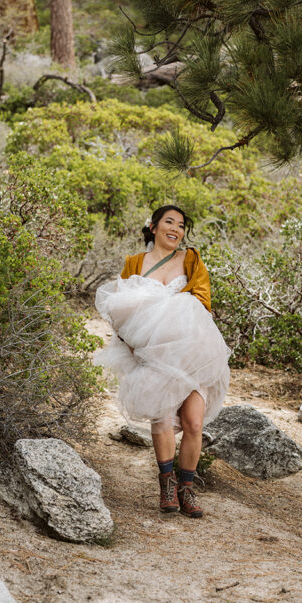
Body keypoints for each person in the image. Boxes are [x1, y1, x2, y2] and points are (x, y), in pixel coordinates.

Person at [95, 205, 230, 519]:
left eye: (181, 225)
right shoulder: (134, 264)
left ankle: (187, 488)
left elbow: (202, 302)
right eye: (169, 222)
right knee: (162, 416)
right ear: (153, 227)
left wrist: (173, 309)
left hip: (191, 350)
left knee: (194, 422)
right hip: (152, 353)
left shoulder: (191, 259)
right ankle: (167, 485)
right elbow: (119, 309)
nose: (176, 229)